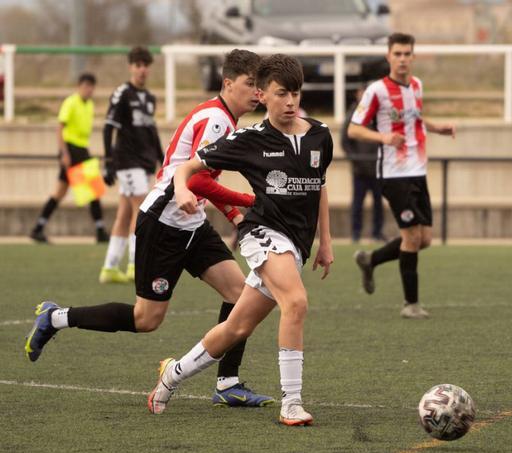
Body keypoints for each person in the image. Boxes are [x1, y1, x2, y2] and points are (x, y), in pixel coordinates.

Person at [26, 49, 275, 408]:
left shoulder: (224, 119)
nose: (257, 93)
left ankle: (228, 383)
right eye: (250, 84)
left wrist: (234, 214)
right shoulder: (217, 120)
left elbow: (200, 180)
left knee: (240, 293)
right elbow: (199, 180)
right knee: (146, 319)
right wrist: (248, 203)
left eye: (260, 86)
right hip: (163, 224)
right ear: (227, 83)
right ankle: (55, 317)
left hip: (191, 224)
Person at [146, 54, 334, 426]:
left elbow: (320, 187)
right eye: (282, 94)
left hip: (296, 245)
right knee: (295, 302)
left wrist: (325, 242)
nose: (291, 102)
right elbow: (188, 167)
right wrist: (182, 188)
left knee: (237, 327)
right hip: (262, 234)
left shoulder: (319, 135)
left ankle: (172, 375)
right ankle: (291, 403)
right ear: (263, 95)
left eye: (295, 93)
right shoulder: (249, 140)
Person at [348, 32, 456, 319]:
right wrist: (384, 138)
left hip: (418, 170)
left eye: (407, 54)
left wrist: (437, 128)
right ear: (388, 56)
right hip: (393, 174)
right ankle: (411, 304)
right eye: (397, 54)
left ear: (413, 56)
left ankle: (370, 260)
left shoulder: (417, 85)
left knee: (425, 239)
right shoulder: (377, 91)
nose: (403, 59)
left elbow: (415, 118)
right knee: (410, 237)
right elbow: (353, 128)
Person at [99, 46, 164, 284]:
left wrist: (162, 157)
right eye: (138, 65)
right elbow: (108, 127)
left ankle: (109, 268)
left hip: (144, 161)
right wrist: (107, 162)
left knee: (125, 213)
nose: (142, 70)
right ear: (131, 67)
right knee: (142, 210)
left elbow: (151, 130)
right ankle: (135, 265)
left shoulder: (149, 98)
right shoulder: (122, 93)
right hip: (127, 160)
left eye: (146, 65)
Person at [30, 73, 109, 244]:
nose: (88, 90)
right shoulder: (71, 102)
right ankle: (100, 230)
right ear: (79, 86)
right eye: (86, 86)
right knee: (90, 190)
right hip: (71, 150)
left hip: (82, 150)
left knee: (63, 192)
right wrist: (64, 153)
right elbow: (60, 128)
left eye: (91, 87)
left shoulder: (90, 105)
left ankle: (38, 228)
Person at [342, 85, 384, 243]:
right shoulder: (352, 114)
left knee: (378, 202)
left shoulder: (378, 113)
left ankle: (377, 233)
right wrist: (355, 159)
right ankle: (356, 233)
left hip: (377, 167)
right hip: (360, 168)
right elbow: (345, 141)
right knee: (358, 202)